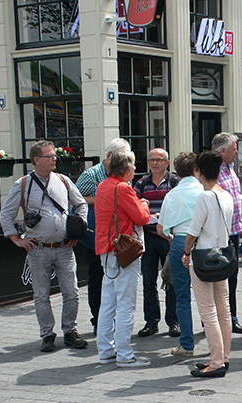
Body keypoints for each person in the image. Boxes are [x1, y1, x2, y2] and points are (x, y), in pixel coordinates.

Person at [0, 141, 89, 352]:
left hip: (64, 248)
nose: (54, 158)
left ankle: (70, 331)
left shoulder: (63, 180)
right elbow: (6, 214)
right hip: (37, 249)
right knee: (41, 295)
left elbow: (81, 204)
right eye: (49, 156)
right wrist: (16, 239)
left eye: (54, 155)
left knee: (72, 292)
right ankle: (47, 335)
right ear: (37, 160)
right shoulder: (22, 184)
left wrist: (79, 228)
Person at [94, 149, 151, 368]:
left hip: (106, 249)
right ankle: (125, 355)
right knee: (126, 302)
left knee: (108, 301)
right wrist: (144, 203)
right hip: (124, 251)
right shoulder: (123, 188)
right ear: (125, 168)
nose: (136, 169)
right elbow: (142, 217)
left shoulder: (103, 186)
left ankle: (106, 350)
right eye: (133, 165)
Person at [180, 151, 235, 377]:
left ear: (198, 172)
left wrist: (185, 252)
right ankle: (224, 357)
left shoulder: (205, 196)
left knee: (208, 311)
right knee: (224, 309)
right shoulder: (227, 194)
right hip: (222, 256)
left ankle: (215, 361)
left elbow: (193, 232)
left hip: (202, 258)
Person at [76, 138, 131, 334]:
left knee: (114, 281)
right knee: (96, 278)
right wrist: (103, 198)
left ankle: (110, 319)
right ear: (109, 157)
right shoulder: (90, 176)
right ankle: (98, 320)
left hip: (118, 239)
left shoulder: (124, 174)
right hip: (95, 237)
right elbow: (75, 198)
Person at [158, 152, 203, 358]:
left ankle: (187, 344)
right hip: (203, 244)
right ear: (196, 169)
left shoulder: (172, 194)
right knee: (209, 298)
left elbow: (161, 229)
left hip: (179, 242)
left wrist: (171, 237)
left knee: (182, 297)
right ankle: (216, 344)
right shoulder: (204, 191)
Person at [134, 148, 180, 338]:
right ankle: (151, 322)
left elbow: (180, 206)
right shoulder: (141, 183)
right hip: (149, 237)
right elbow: (134, 206)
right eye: (152, 160)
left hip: (169, 237)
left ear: (167, 163)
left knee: (171, 281)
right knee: (148, 281)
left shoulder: (175, 182)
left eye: (159, 160)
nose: (155, 163)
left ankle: (173, 321)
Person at [211, 132, 242, 334]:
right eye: (234, 149)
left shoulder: (231, 169)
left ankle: (231, 317)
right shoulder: (212, 171)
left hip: (233, 232)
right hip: (218, 234)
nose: (237, 152)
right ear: (222, 150)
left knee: (232, 277)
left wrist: (240, 225)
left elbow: (234, 199)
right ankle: (216, 318)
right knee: (217, 277)